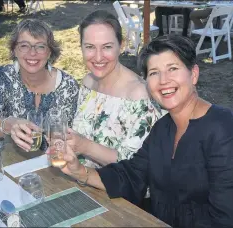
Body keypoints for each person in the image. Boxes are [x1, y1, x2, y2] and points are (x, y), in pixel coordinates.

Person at [58, 35, 233, 228]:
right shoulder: (163, 128)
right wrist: (80, 172)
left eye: (173, 69)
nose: (163, 81)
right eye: (154, 72)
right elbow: (132, 175)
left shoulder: (227, 133)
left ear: (194, 74)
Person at [65, 10, 163, 170]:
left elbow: (136, 166)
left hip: (117, 191)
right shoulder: (88, 82)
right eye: (90, 47)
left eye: (107, 47)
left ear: (121, 45)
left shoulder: (139, 95)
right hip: (80, 180)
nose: (98, 57)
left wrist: (84, 146)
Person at [0, 19, 79, 157]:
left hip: (56, 167)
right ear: (14, 50)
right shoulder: (2, 77)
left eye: (40, 46)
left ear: (49, 52)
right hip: (12, 161)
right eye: (24, 46)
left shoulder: (68, 86)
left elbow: (72, 138)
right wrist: (9, 124)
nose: (32, 53)